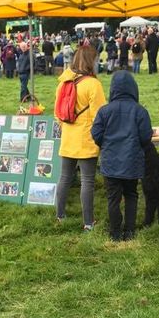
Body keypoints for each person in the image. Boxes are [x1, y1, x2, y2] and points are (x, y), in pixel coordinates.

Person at [91, 71, 153, 241]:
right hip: (132, 161)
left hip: (111, 162)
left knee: (113, 198)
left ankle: (115, 232)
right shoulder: (140, 111)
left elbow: (95, 133)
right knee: (131, 194)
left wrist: (106, 145)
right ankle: (130, 231)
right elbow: (146, 137)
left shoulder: (104, 111)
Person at [55, 46, 106, 231]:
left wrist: (67, 128)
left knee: (65, 177)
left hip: (68, 137)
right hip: (86, 138)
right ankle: (88, 222)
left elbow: (57, 114)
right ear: (91, 61)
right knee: (88, 181)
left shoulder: (63, 82)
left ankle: (60, 215)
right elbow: (99, 116)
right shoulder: (93, 84)